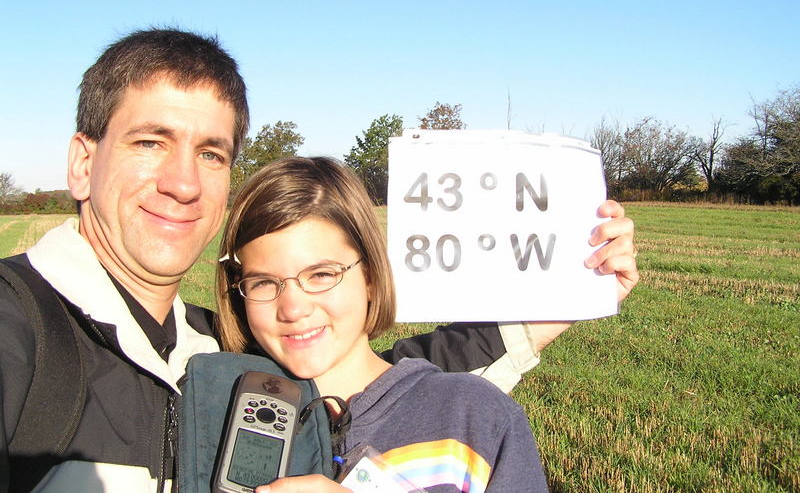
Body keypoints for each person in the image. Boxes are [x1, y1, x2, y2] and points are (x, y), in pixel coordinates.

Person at [0, 28, 638, 493]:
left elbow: (383, 380)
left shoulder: (213, 352)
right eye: (150, 142)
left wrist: (567, 290)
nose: (183, 183)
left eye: (213, 154)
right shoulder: (16, 328)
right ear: (83, 162)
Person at [215, 157, 550, 492]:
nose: (293, 309)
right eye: (263, 283)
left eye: (321, 275)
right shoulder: (219, 415)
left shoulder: (474, 419)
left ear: (371, 277)